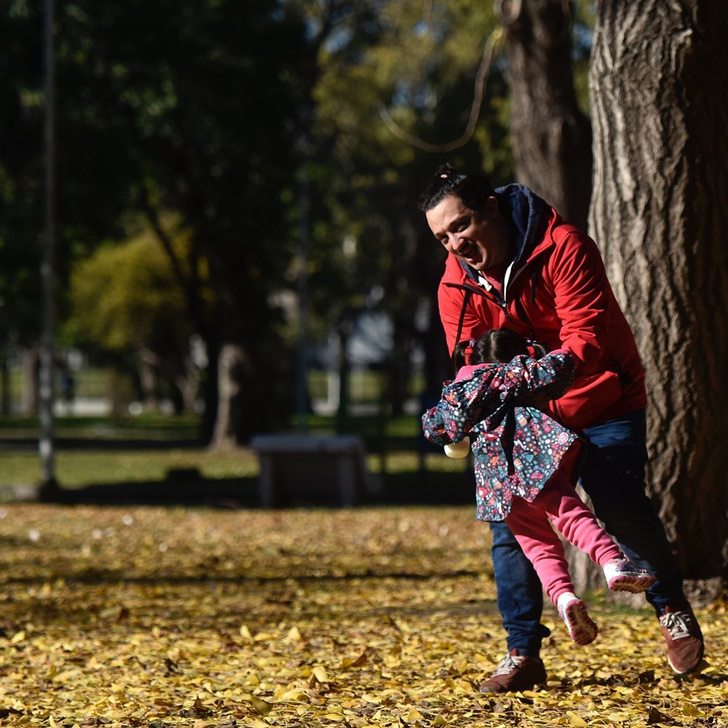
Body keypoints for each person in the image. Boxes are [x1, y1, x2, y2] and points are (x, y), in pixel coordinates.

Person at [418, 163, 705, 692]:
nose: (454, 244)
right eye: (442, 237)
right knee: (510, 523)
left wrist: (523, 376)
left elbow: (587, 341)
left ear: (490, 208)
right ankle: (522, 652)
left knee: (618, 503)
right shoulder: (455, 283)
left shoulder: (563, 246)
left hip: (601, 397)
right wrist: (463, 409)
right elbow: (470, 362)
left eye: (460, 226)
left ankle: (671, 608)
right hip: (524, 415)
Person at [422, 328, 655, 647]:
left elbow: (436, 427)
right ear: (517, 353)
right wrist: (542, 353)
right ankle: (613, 563)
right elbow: (560, 368)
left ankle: (563, 599)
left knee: (535, 544)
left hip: (496, 480)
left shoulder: (461, 390)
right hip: (533, 460)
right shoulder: (521, 371)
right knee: (569, 514)